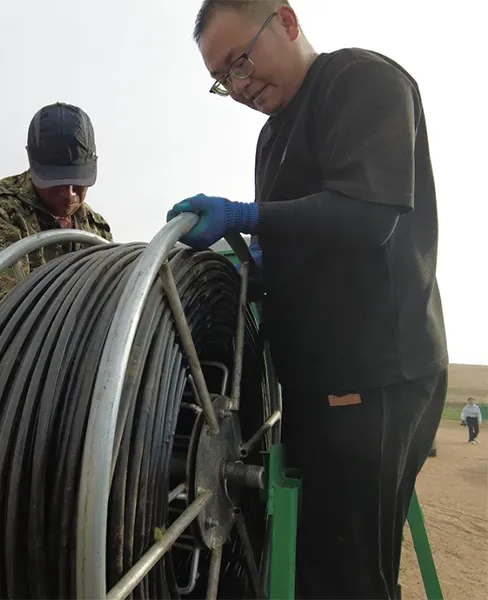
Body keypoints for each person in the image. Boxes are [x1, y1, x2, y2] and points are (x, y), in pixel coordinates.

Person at [167, 2, 448, 598]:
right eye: (224, 79)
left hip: (372, 374)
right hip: (312, 379)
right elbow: (297, 241)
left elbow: (370, 215)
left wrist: (246, 215)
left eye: (242, 61)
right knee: (309, 557)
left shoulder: (361, 82)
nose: (240, 86)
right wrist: (250, 260)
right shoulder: (272, 139)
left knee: (349, 571)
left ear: (287, 22)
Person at [0, 102, 113, 384]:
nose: (69, 195)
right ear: (32, 164)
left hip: (73, 370)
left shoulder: (96, 229)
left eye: (78, 182)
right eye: (56, 182)